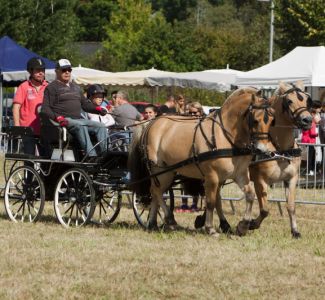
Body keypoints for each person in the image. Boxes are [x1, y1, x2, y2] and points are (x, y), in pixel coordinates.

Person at [41, 59, 108, 160]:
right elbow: (45, 109)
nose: (67, 72)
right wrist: (57, 117)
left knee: (101, 126)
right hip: (63, 120)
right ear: (57, 71)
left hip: (78, 120)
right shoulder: (51, 88)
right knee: (80, 125)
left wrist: (98, 109)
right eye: (64, 70)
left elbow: (85, 105)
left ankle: (105, 155)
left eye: (69, 69)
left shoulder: (76, 88)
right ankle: (91, 155)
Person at [12, 57, 48, 155]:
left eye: (43, 70)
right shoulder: (23, 87)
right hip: (27, 130)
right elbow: (16, 107)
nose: (41, 73)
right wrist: (16, 126)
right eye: (38, 70)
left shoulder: (48, 87)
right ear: (30, 71)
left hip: (45, 130)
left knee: (46, 161)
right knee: (29, 160)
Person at [176, 101, 206, 213]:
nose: (192, 115)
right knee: (184, 181)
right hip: (185, 155)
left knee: (198, 181)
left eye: (195, 113)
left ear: (200, 112)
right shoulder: (184, 123)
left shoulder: (205, 123)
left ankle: (194, 204)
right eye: (190, 113)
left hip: (200, 157)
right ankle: (184, 204)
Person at [301, 101, 321, 175]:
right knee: (310, 157)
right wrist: (317, 134)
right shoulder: (312, 123)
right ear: (313, 114)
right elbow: (312, 133)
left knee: (311, 156)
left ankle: (311, 170)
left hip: (307, 140)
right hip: (310, 141)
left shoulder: (307, 122)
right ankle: (309, 171)